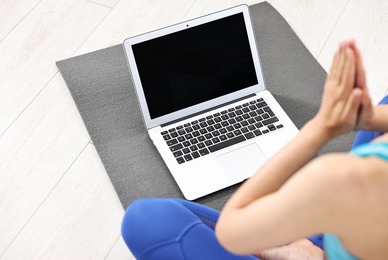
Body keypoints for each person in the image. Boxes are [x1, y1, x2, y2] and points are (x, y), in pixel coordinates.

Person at [121, 40, 388, 260]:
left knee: (144, 220)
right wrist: (365, 117)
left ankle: (318, 246)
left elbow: (232, 231)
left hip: (354, 208)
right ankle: (316, 248)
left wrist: (322, 127)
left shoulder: (337, 180)